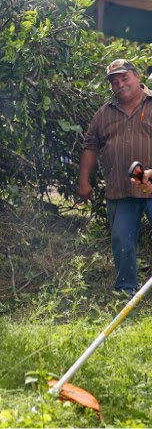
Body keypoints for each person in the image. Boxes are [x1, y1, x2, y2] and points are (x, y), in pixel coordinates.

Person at [78, 58, 152, 295]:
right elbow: (91, 146)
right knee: (122, 241)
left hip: (151, 186)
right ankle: (126, 292)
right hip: (120, 189)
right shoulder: (104, 113)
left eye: (124, 77)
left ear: (137, 77)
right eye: (114, 81)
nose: (120, 84)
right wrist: (84, 180)